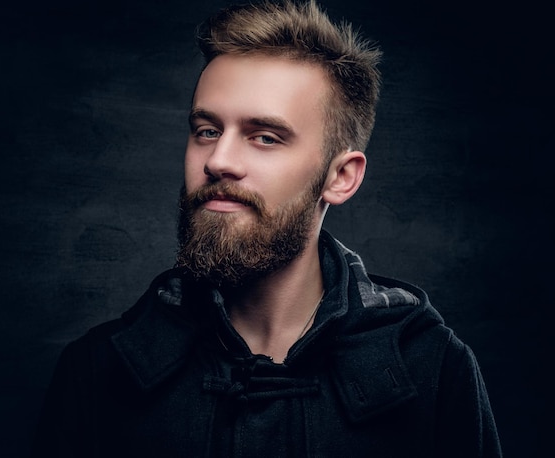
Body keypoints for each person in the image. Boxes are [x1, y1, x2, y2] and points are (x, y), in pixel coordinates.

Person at [32, 0, 502, 456]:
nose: (218, 161)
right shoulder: (96, 369)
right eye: (207, 130)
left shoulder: (435, 368)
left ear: (341, 178)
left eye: (265, 137)